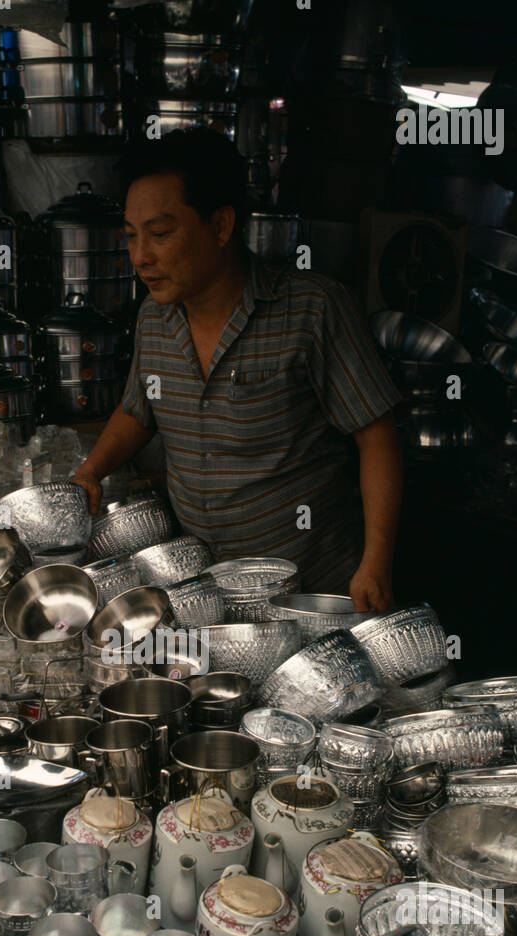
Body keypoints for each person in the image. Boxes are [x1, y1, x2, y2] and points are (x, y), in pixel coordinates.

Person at [71, 129, 404, 612]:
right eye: (131, 236)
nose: (141, 256)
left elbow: (376, 434)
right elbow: (138, 410)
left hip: (311, 592)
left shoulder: (312, 309)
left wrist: (376, 562)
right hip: (209, 595)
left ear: (222, 225)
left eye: (160, 234)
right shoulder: (154, 318)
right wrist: (91, 472)